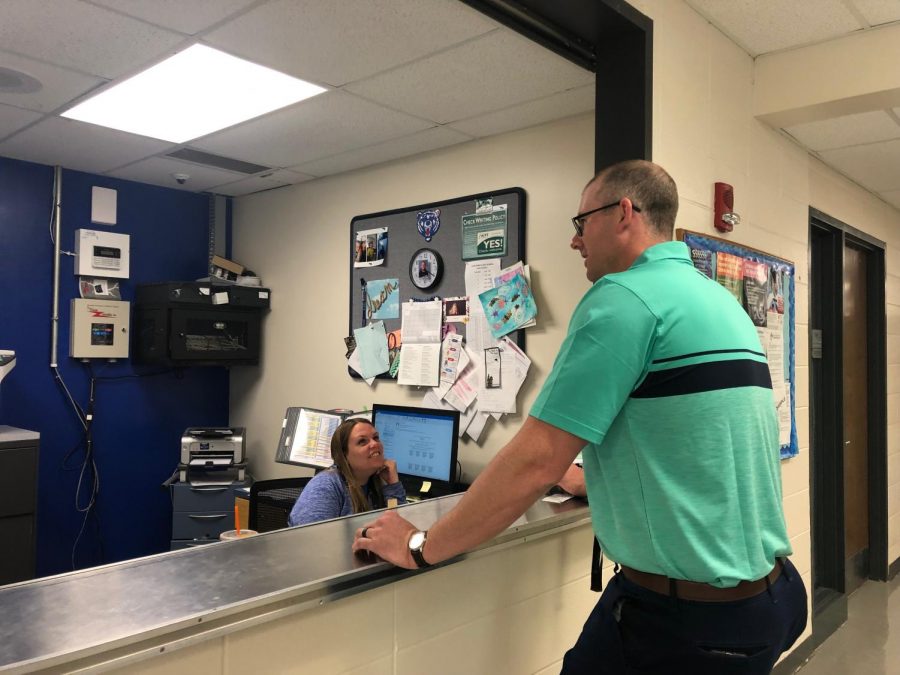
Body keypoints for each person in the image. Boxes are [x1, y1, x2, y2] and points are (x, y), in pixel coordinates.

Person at [352, 160, 807, 673]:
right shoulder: (721, 304)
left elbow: (535, 461)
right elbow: (696, 442)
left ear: (624, 213)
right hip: (772, 599)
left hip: (688, 622)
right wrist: (599, 483)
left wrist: (419, 545)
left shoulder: (622, 300)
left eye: (581, 222)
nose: (575, 241)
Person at [288, 418, 406, 526]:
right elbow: (311, 540)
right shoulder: (325, 486)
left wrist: (393, 485)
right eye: (362, 441)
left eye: (375, 438)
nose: (375, 444)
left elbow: (399, 527)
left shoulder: (377, 480)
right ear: (344, 455)